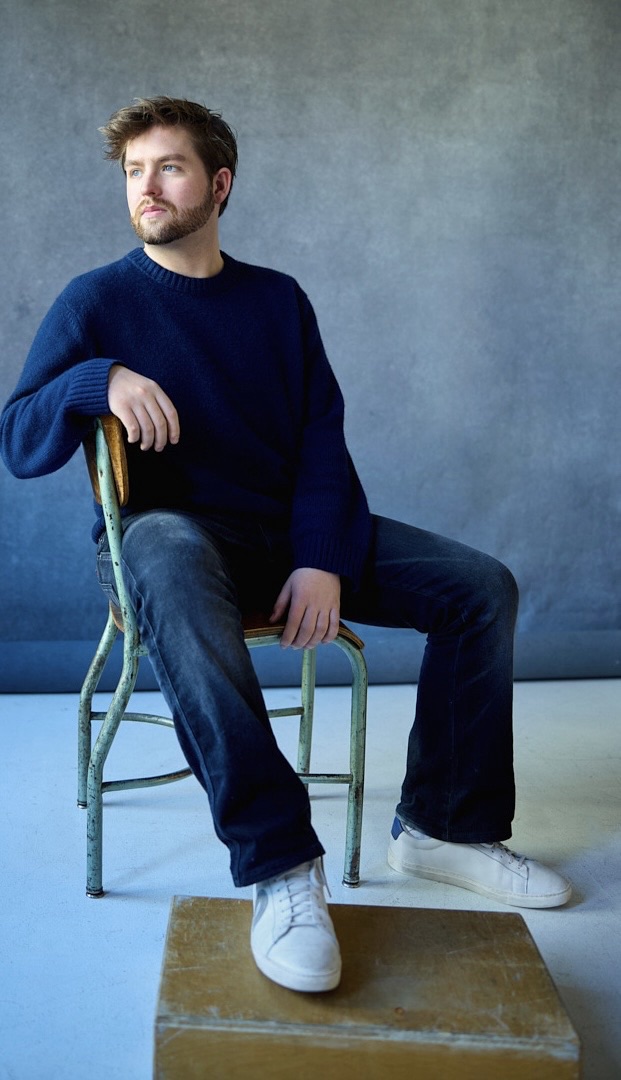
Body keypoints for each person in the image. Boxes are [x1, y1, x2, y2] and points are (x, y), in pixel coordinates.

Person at [0, 97, 571, 994]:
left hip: (284, 536)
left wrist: (320, 559)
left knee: (479, 585)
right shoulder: (98, 300)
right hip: (166, 541)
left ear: (219, 183)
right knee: (170, 560)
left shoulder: (276, 300)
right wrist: (95, 377)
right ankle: (278, 865)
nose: (146, 188)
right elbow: (18, 438)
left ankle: (443, 831)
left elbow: (320, 441)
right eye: (132, 173)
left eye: (169, 167)